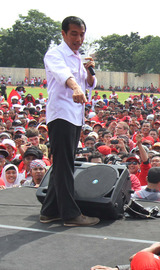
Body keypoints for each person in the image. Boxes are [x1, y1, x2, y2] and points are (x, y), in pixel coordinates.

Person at [39, 16, 99, 227]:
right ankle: (71, 214)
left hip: (75, 115)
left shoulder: (79, 57)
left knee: (63, 164)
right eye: (74, 34)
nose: (79, 39)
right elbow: (63, 75)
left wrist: (90, 74)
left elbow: (89, 83)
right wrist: (75, 87)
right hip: (61, 114)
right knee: (65, 166)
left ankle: (50, 211)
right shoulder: (55, 54)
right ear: (63, 34)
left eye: (82, 34)